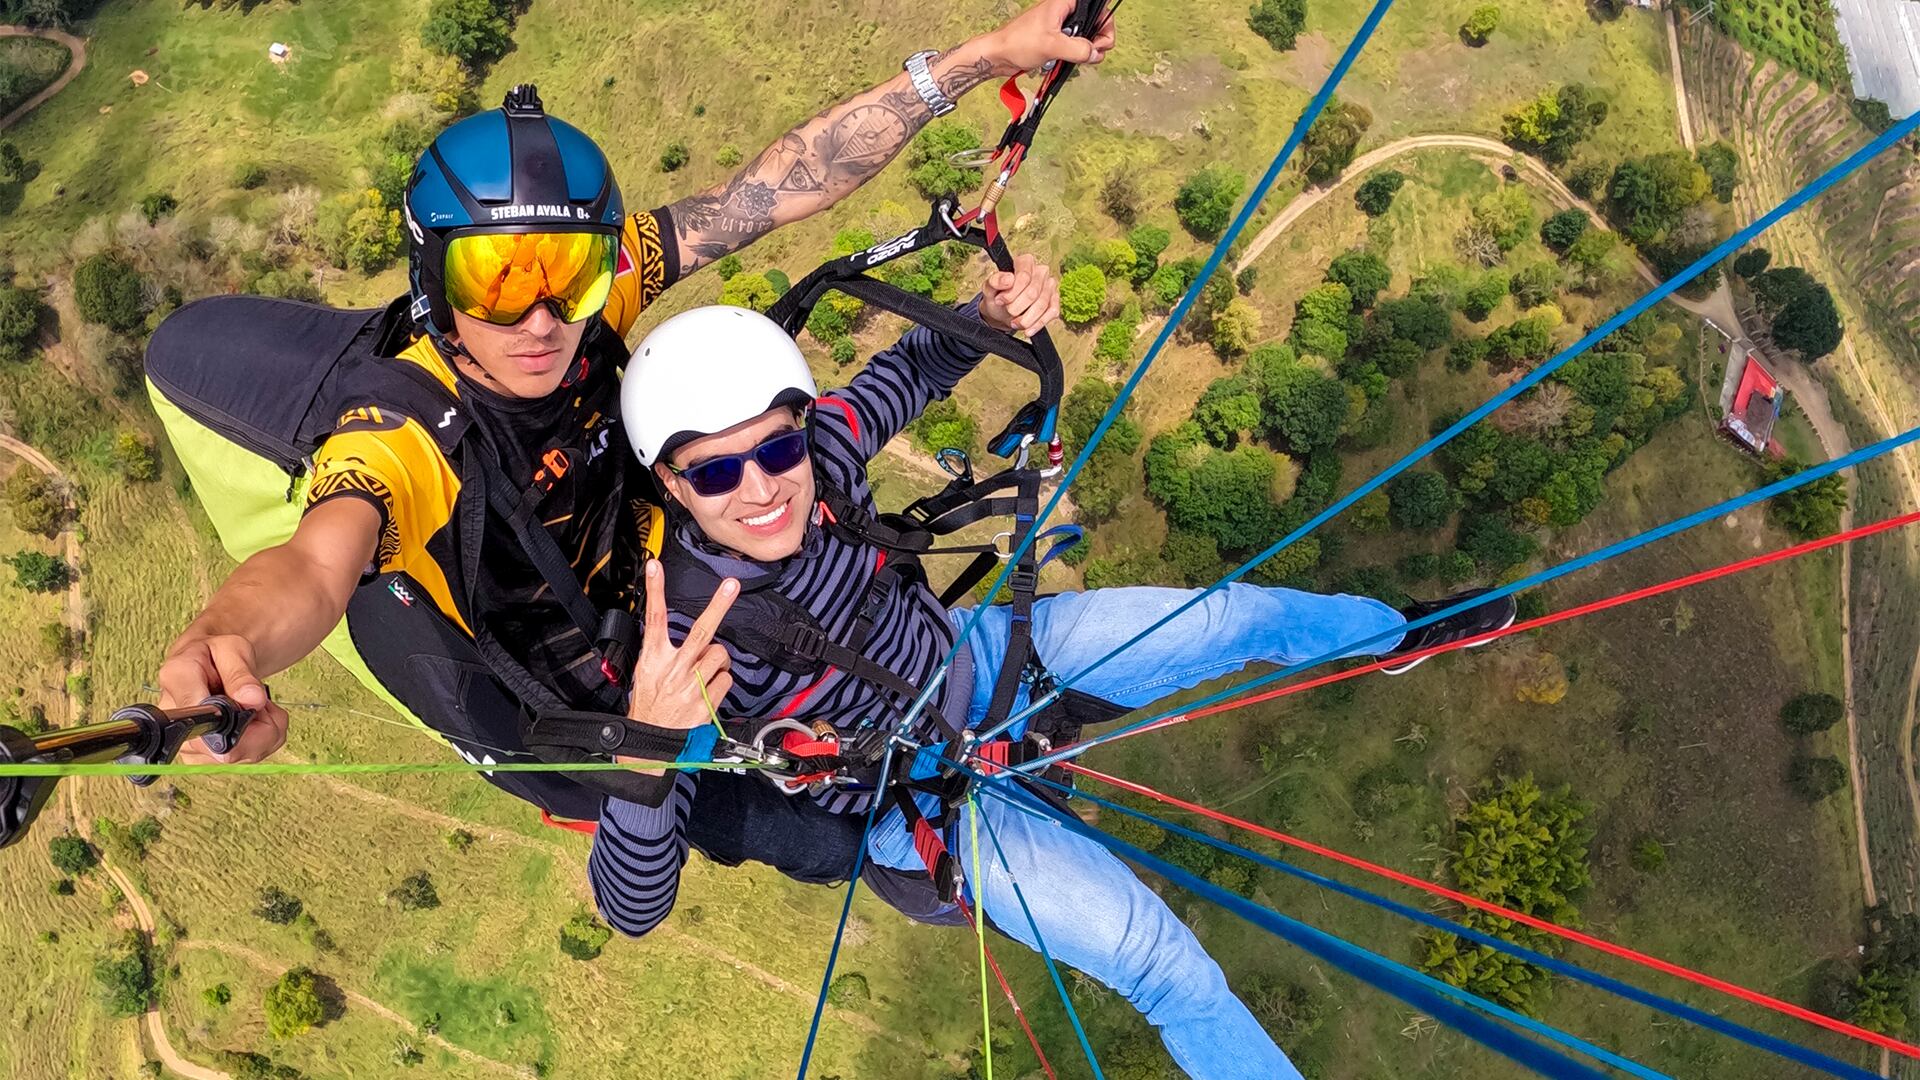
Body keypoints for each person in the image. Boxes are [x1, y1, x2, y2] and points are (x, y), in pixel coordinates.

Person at [148, 1, 1119, 890]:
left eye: (570, 275)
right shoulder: (404, 434)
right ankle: (935, 868)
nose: (540, 319)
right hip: (558, 679)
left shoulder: (590, 309)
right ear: (434, 282)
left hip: (656, 577)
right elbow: (317, 564)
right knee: (819, 841)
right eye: (494, 282)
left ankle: (1011, 737)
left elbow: (774, 189)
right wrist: (224, 643)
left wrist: (991, 53)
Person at [608, 274, 1516, 1077]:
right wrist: (649, 745)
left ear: (801, 433)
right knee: (1169, 968)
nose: (762, 488)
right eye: (716, 472)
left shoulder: (827, 461)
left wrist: (985, 314)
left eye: (775, 450)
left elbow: (912, 369)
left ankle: (1394, 635)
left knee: (1232, 619)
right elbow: (631, 905)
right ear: (672, 486)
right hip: (920, 806)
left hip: (978, 660)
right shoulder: (686, 639)